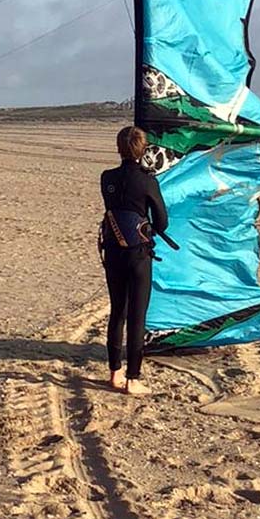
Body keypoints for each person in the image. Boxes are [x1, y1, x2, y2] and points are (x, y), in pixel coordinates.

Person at [99, 125, 168, 395]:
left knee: (117, 312)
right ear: (143, 150)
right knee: (137, 316)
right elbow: (162, 221)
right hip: (138, 255)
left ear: (119, 148)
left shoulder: (106, 178)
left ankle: (114, 374)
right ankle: (133, 379)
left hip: (113, 251)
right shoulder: (148, 181)